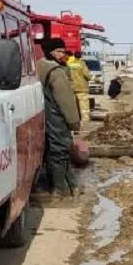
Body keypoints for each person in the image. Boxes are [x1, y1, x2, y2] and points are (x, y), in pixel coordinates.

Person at [37, 38, 81, 197]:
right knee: (60, 151)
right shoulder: (56, 72)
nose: (62, 55)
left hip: (44, 117)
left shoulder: (38, 67)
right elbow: (66, 101)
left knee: (54, 151)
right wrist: (74, 122)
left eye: (63, 51)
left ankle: (71, 186)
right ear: (50, 52)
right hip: (57, 118)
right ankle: (59, 189)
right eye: (59, 51)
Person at [66, 50, 91, 122]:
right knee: (84, 105)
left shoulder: (69, 63)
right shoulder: (82, 63)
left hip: (71, 87)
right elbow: (87, 74)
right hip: (82, 87)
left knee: (73, 105)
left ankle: (74, 119)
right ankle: (85, 119)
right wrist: (90, 77)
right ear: (80, 56)